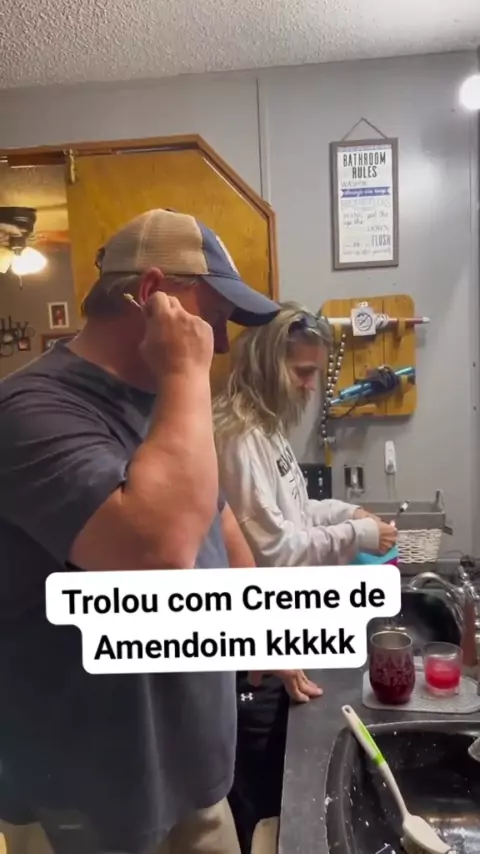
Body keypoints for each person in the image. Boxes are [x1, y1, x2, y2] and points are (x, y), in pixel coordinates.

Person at [0, 208, 294, 854]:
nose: (221, 343)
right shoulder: (30, 411)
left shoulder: (163, 402)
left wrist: (261, 629)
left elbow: (215, 516)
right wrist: (185, 374)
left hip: (192, 780)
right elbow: (156, 553)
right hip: (90, 800)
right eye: (215, 316)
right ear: (153, 293)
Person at [213, 301, 397, 852]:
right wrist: (356, 535)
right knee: (260, 811)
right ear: (268, 363)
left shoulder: (265, 430)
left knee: (275, 801)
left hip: (278, 636)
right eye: (302, 372)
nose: (310, 386)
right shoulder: (238, 437)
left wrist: (347, 513)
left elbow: (293, 514)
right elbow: (273, 551)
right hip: (254, 655)